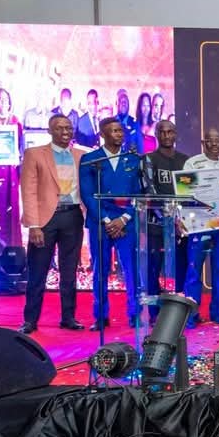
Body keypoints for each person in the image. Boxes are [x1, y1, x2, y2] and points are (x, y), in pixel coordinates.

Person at [19, 115, 86, 333]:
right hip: (45, 220)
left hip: (73, 216)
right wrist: (34, 225)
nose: (65, 131)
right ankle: (30, 320)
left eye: (68, 127)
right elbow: (28, 191)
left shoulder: (81, 156)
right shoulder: (34, 154)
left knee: (69, 271)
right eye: (59, 128)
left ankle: (68, 317)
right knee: (38, 271)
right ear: (50, 131)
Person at [79, 117, 142, 329]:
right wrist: (107, 220)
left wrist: (124, 218)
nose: (118, 134)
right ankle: (100, 316)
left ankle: (134, 313)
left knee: (132, 270)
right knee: (100, 270)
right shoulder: (90, 159)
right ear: (102, 135)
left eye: (120, 130)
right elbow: (87, 194)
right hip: (100, 222)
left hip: (126, 222)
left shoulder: (133, 160)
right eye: (113, 131)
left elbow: (139, 193)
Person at [182, 128, 219, 327]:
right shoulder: (192, 163)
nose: (214, 144)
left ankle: (217, 311)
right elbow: (185, 193)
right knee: (194, 270)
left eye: (217, 140)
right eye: (210, 141)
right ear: (203, 143)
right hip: (199, 224)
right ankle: (191, 314)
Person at [142, 120, 189, 321]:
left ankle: (177, 311)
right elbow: (149, 190)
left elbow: (188, 193)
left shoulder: (185, 161)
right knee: (154, 268)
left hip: (181, 226)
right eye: (162, 132)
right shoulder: (149, 159)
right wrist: (168, 218)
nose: (167, 136)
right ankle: (155, 313)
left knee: (181, 267)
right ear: (157, 135)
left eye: (170, 132)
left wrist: (180, 219)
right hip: (156, 225)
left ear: (175, 134)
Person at [0, 87, 23, 247]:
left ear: (10, 102)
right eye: (0, 99)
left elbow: (21, 147)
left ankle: (13, 245)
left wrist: (19, 158)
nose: (3, 102)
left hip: (11, 172)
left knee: (12, 207)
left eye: (6, 99)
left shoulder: (16, 122)